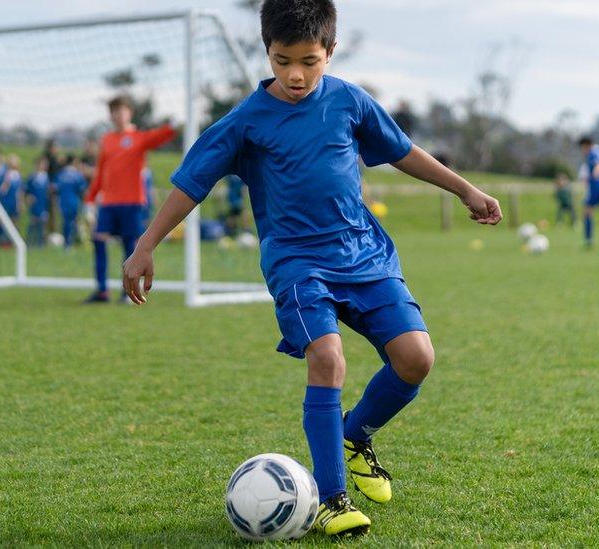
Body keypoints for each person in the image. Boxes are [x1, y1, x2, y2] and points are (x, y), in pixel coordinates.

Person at [121, 0, 502, 536]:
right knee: (327, 358)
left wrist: (465, 188)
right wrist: (146, 244)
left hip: (364, 255)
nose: (295, 74)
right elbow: (191, 184)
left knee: (416, 359)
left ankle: (355, 434)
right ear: (267, 53)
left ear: (330, 50)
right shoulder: (247, 121)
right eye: (282, 61)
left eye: (308, 60)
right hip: (298, 264)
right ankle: (332, 497)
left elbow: (401, 151)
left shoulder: (348, 100)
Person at [83, 96, 176, 303]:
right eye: (114, 111)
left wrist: (175, 124)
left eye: (122, 110)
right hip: (108, 203)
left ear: (129, 113)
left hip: (132, 202)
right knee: (99, 239)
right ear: (110, 115)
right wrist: (89, 199)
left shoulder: (138, 137)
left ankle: (128, 292)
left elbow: (162, 136)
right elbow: (100, 172)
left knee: (130, 247)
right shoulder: (107, 140)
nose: (118, 115)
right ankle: (101, 291)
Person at [54, 155, 88, 249]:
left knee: (65, 222)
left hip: (63, 202)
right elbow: (82, 189)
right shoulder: (77, 175)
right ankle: (72, 242)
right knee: (73, 222)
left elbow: (55, 188)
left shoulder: (60, 174)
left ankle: (66, 243)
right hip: (74, 201)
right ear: (74, 162)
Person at [25, 157, 51, 247]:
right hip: (35, 204)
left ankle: (40, 243)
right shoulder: (32, 177)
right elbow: (26, 189)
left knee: (42, 224)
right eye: (43, 164)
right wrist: (28, 197)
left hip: (43, 204)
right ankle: (29, 242)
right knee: (33, 223)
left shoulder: (47, 177)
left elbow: (49, 192)